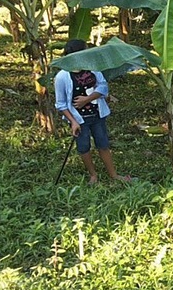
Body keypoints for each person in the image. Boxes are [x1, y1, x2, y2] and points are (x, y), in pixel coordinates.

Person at [54, 39, 131, 185]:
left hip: (97, 115)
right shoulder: (62, 76)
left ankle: (113, 174)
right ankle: (93, 175)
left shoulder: (93, 69)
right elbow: (61, 104)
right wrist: (73, 122)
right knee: (84, 147)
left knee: (103, 144)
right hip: (79, 119)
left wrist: (87, 99)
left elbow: (103, 88)